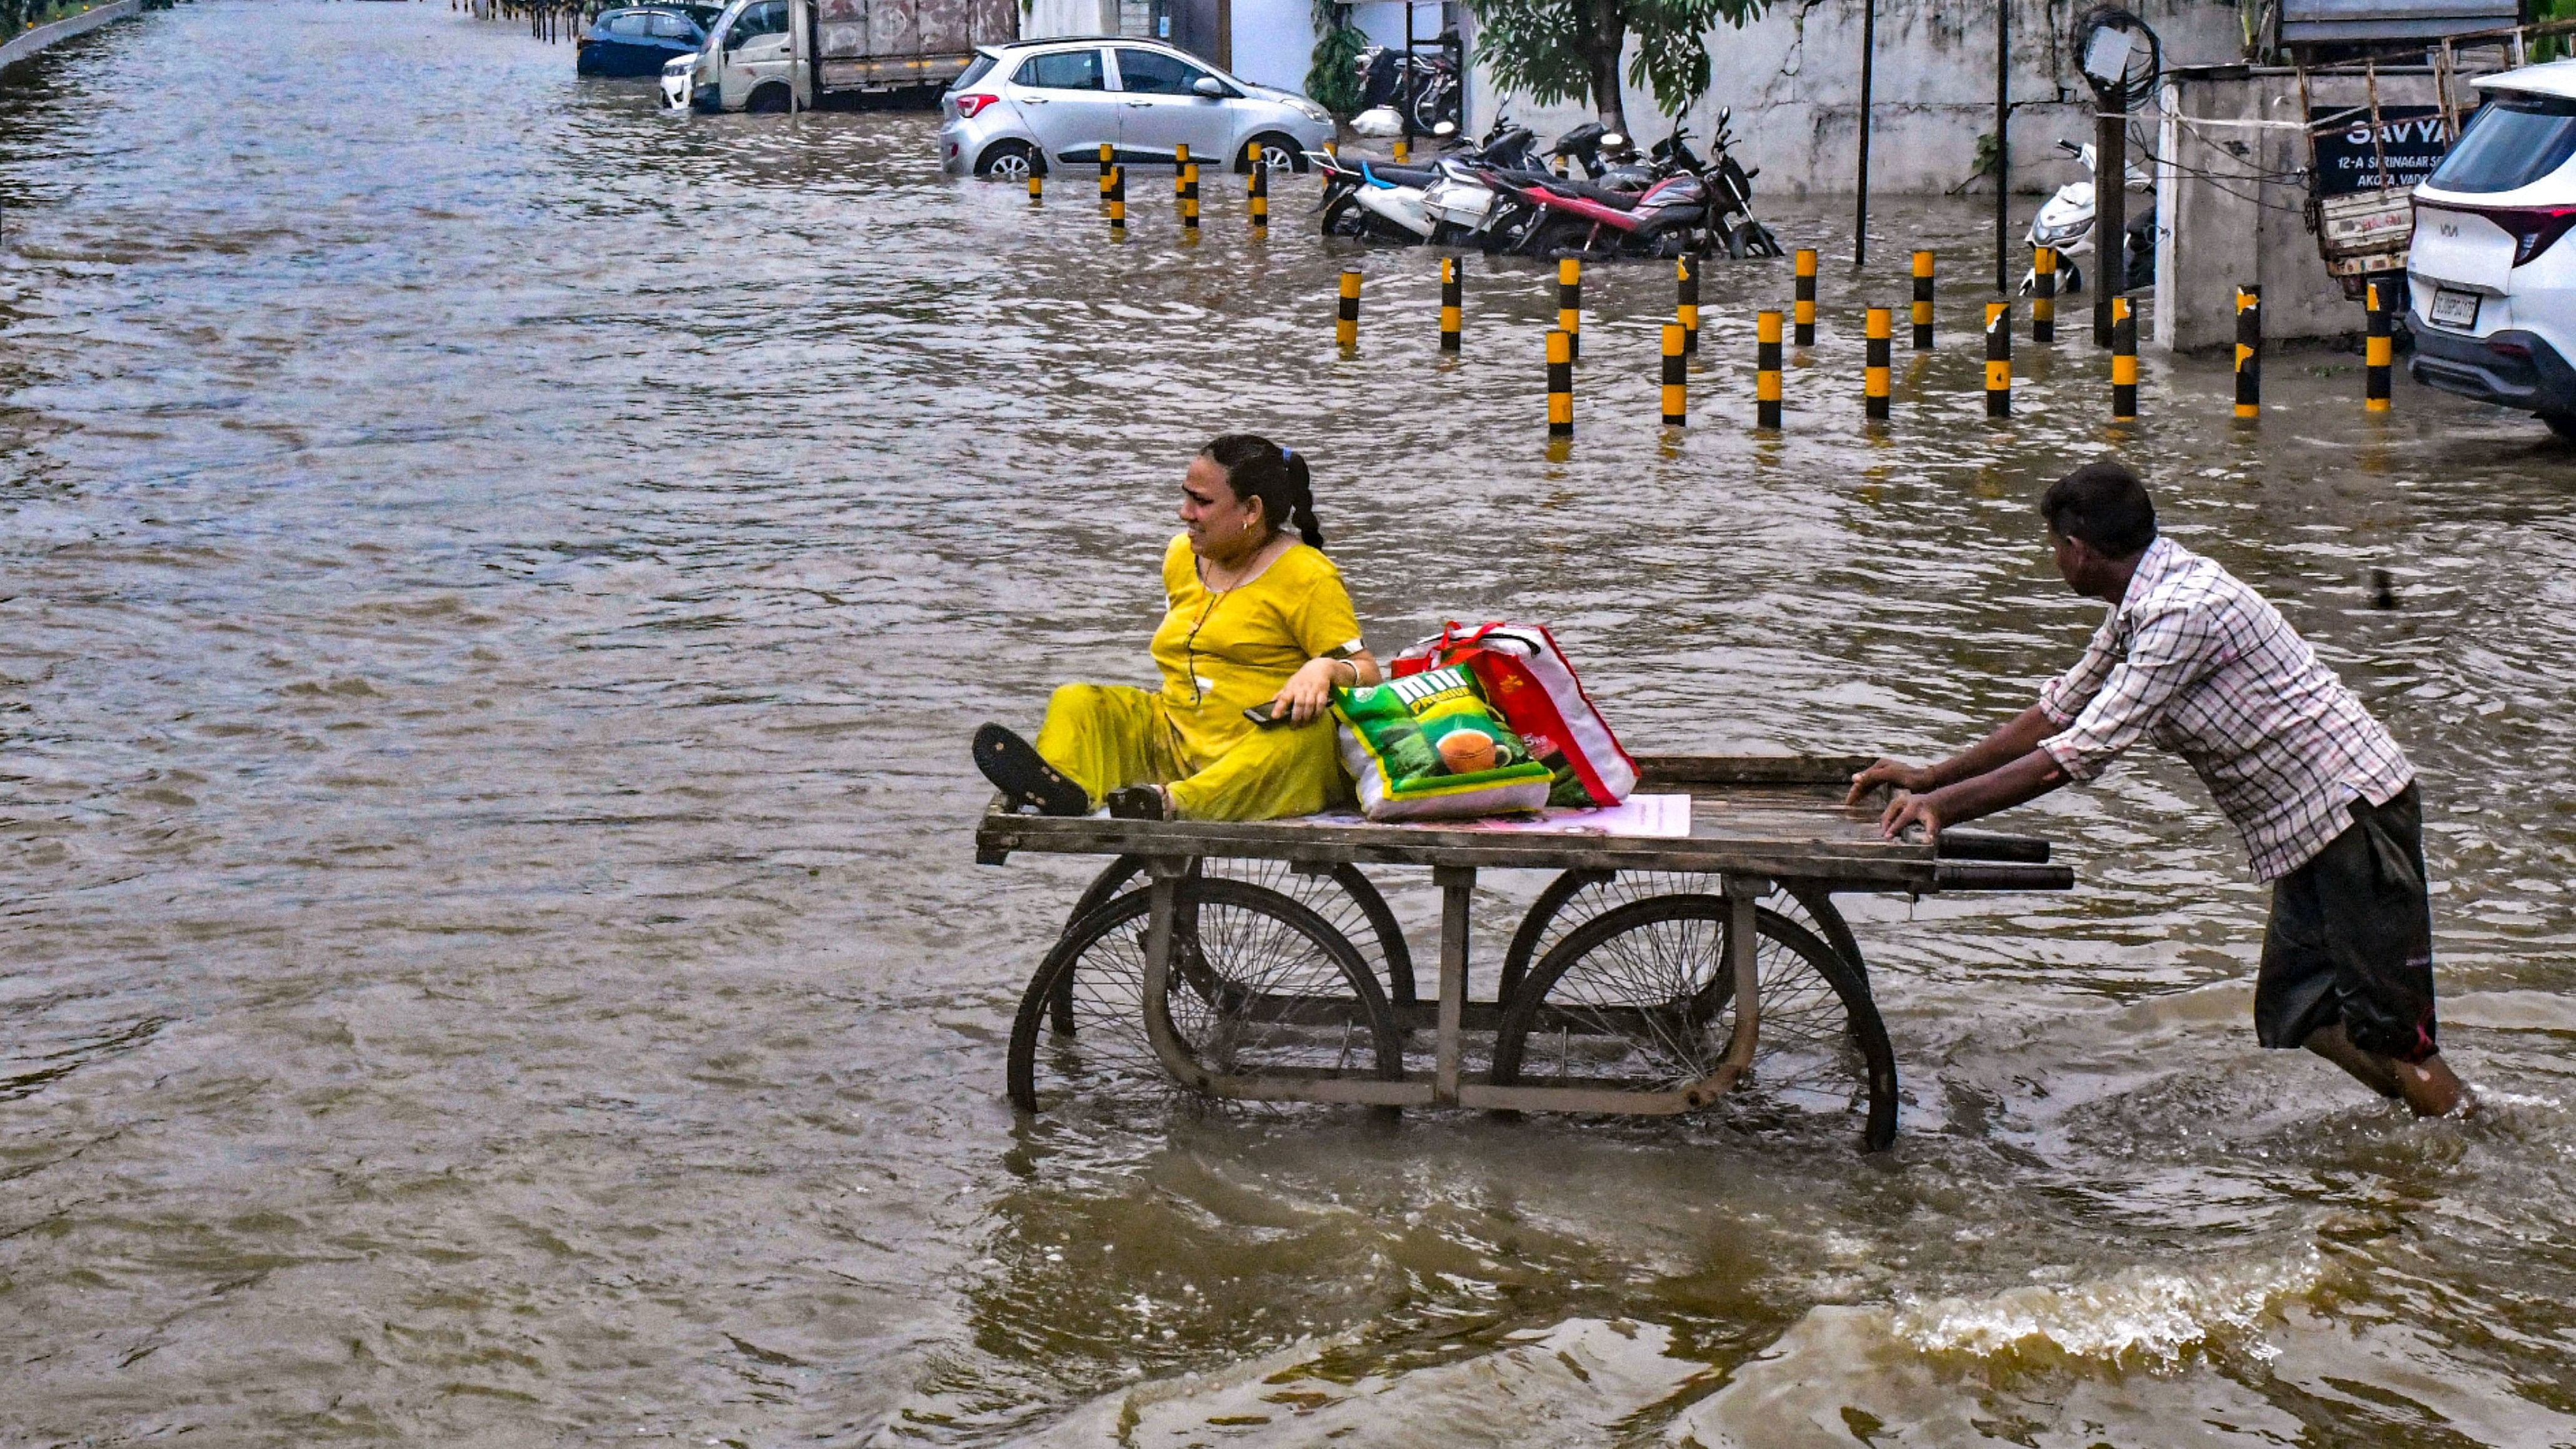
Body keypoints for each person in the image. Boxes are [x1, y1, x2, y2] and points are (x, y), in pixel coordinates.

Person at [1848, 459, 2472, 1117]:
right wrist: (1933, 776)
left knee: (2394, 1035)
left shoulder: (2181, 613)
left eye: (2054, 546)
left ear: (2079, 551)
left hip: (2353, 813)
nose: (2054, 558)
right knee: (2294, 1008)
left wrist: (1941, 808)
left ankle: (2466, 1136)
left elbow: (2075, 753)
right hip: (2311, 827)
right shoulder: (2143, 598)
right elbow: (2061, 709)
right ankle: (2426, 1133)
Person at [972, 434, 1378, 823]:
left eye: (1201, 502)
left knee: (1305, 735)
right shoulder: (1181, 555)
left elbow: (1369, 675)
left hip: (1261, 758)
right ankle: (1066, 789)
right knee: (1076, 701)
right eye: (1185, 495)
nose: (1185, 512)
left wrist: (1324, 670)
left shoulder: (1307, 575)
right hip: (1175, 738)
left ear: (1251, 511)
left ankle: (1173, 804)